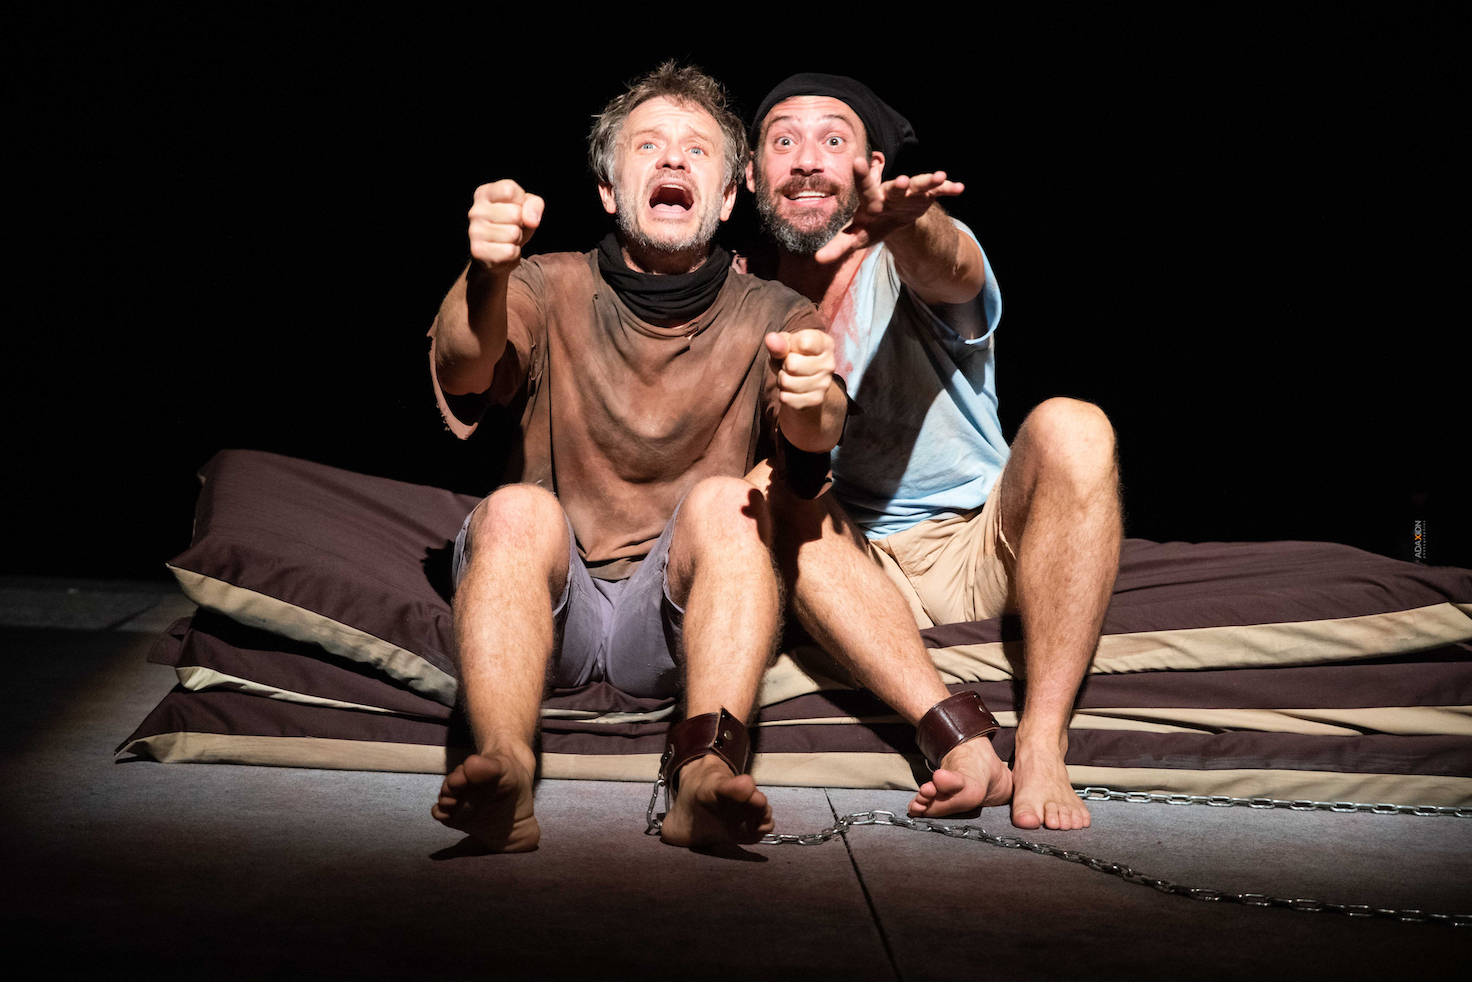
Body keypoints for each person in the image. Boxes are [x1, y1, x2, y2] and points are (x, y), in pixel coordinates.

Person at [426, 63, 846, 852]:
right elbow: (463, 368)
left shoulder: (775, 310)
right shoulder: (545, 283)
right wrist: (486, 274)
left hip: (673, 621)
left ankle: (703, 776)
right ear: (610, 191)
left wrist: (811, 400)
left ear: (729, 197)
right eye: (648, 145)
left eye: (698, 149)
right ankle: (506, 772)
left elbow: (813, 445)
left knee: (732, 502)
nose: (674, 158)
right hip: (553, 608)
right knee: (515, 508)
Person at [746, 73, 1122, 831]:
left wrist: (908, 225)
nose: (808, 159)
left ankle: (1042, 742)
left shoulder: (909, 253)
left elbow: (949, 266)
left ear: (874, 167)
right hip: (846, 570)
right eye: (784, 141)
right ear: (751, 177)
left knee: (1075, 425)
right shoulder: (741, 293)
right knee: (768, 488)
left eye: (833, 140)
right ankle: (959, 739)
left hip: (977, 545)